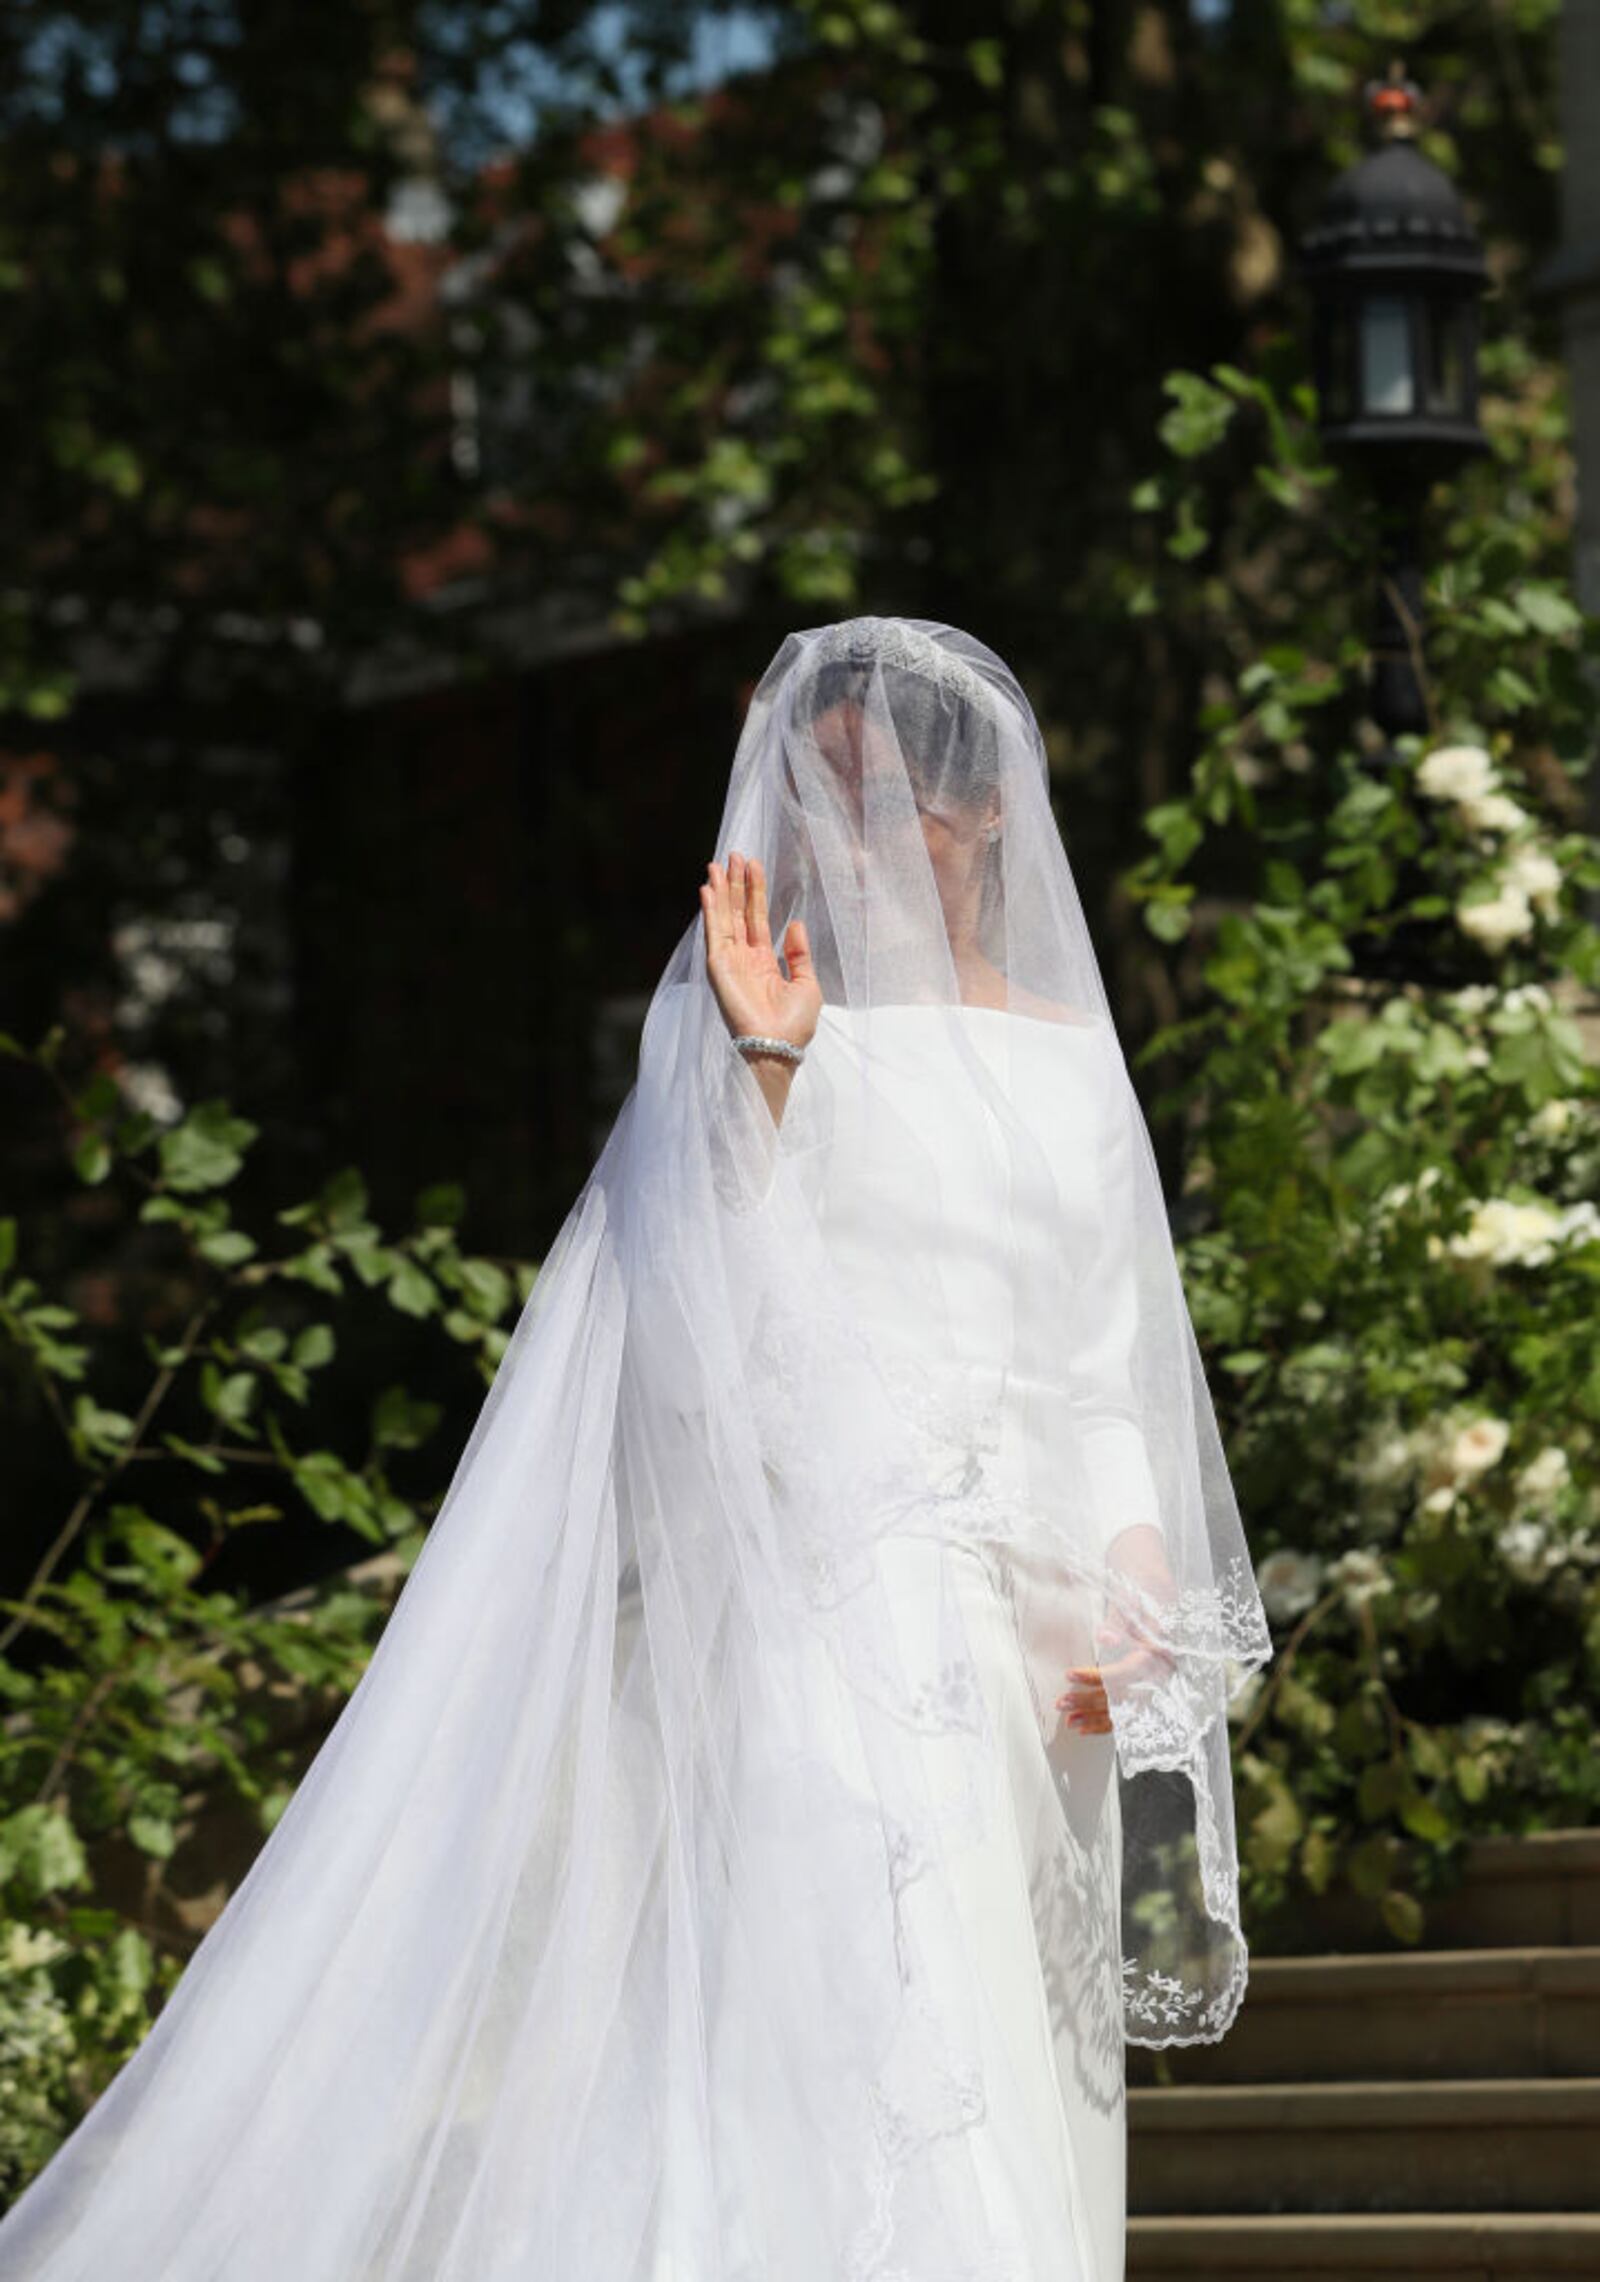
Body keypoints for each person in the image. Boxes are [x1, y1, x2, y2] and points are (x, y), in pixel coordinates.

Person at [0, 616, 1271, 2282]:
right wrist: (763, 1071)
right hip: (834, 1631)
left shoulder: (1069, 1055)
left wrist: (1142, 1591)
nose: (853, 827)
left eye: (891, 795)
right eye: (824, 789)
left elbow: (1102, 1377)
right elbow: (695, 1344)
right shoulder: (751, 1025)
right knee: (830, 2060)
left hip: (1045, 1677)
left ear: (980, 824)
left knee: (1031, 2100)